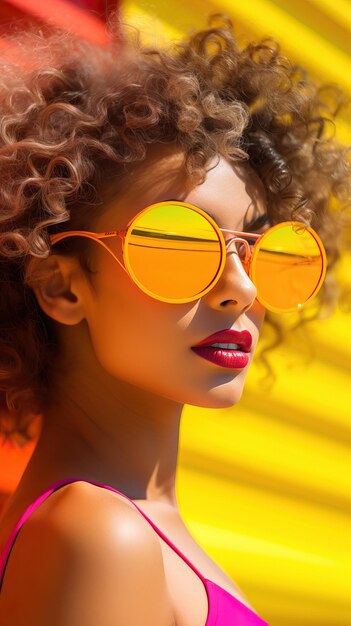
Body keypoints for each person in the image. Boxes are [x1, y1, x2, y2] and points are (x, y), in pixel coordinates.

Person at [0, 12, 349, 626]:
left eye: (261, 248)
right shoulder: (101, 537)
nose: (239, 289)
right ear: (62, 286)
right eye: (180, 246)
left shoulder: (128, 525)